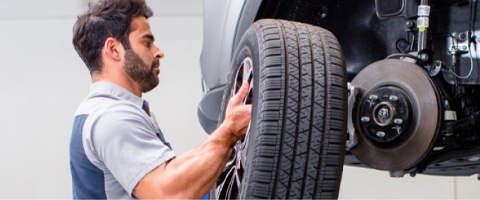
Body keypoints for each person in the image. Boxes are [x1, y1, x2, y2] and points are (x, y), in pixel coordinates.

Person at [69, 0, 252, 199]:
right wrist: (228, 133)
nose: (158, 51)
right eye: (147, 43)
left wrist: (226, 136)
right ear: (114, 49)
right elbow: (168, 193)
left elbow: (169, 172)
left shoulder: (101, 111)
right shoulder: (112, 118)